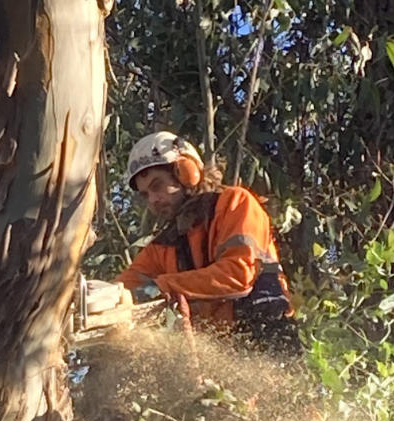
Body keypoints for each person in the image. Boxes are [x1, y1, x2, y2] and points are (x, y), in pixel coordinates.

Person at [113, 131, 296, 347]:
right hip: (221, 351)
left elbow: (238, 275)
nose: (153, 200)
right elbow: (123, 288)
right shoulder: (163, 245)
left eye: (157, 186)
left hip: (267, 338)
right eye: (145, 195)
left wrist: (160, 287)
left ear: (186, 173)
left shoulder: (234, 204)